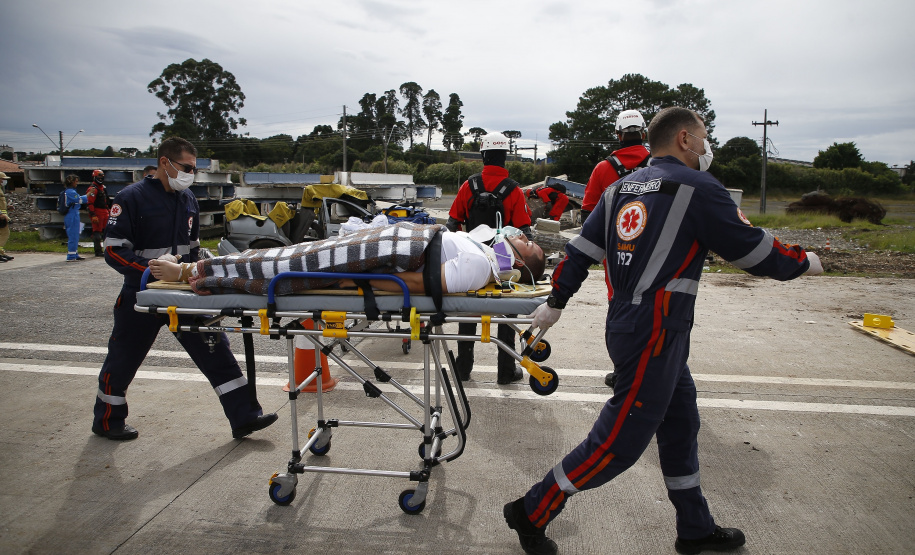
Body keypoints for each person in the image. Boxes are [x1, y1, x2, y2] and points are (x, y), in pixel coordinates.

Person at [504, 107, 824, 555]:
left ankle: (694, 527)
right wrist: (803, 263)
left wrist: (555, 302)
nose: (707, 145)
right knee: (618, 444)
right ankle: (531, 510)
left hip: (635, 325)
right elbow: (752, 251)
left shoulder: (619, 188)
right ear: (685, 140)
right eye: (704, 136)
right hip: (654, 329)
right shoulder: (698, 188)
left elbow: (579, 253)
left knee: (680, 422)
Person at [93, 136, 277, 441]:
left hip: (181, 292)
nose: (191, 174)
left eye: (195, 169)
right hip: (141, 294)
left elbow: (192, 250)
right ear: (165, 162)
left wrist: (197, 278)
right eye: (187, 167)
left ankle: (245, 416)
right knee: (123, 357)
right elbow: (113, 251)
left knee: (214, 348)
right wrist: (149, 272)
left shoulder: (187, 199)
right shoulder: (131, 198)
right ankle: (107, 420)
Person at [149, 224, 545, 296]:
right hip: (385, 241)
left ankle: (192, 271)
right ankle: (219, 263)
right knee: (292, 255)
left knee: (291, 266)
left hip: (379, 256)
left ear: (520, 264)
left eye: (527, 244)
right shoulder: (483, 252)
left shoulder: (482, 268)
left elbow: (422, 283)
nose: (520, 236)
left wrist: (356, 283)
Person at [445, 132, 535, 384]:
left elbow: (452, 224)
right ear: (505, 156)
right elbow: (524, 233)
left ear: (483, 154)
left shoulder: (468, 186)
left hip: (470, 259)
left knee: (468, 311)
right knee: (506, 313)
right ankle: (506, 371)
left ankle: (463, 368)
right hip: (503, 264)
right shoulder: (515, 190)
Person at [581, 109, 652, 388]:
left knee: (619, 305)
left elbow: (589, 215)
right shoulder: (659, 163)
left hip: (618, 252)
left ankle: (623, 371)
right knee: (655, 305)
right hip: (657, 249)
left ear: (618, 135)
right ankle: (656, 369)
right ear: (643, 134)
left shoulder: (603, 169)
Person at [86, 169, 110, 257]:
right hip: (97, 212)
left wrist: (109, 210)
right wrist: (93, 215)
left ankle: (107, 250)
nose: (101, 178)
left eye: (102, 176)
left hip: (105, 211)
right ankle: (98, 251)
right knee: (97, 232)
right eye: (99, 176)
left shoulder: (103, 188)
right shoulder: (92, 189)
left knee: (106, 232)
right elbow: (90, 203)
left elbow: (106, 201)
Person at [63, 174, 87, 262]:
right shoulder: (70, 192)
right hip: (71, 214)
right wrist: (88, 195)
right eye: (76, 181)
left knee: (76, 234)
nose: (77, 183)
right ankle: (71, 255)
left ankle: (75, 253)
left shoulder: (71, 191)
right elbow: (79, 200)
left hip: (74, 214)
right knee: (73, 234)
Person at [0, 172, 12, 262]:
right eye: (3, 179)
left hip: (2, 215)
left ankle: (1, 253)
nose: (4, 181)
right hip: (1, 217)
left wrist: (7, 207)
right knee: (5, 234)